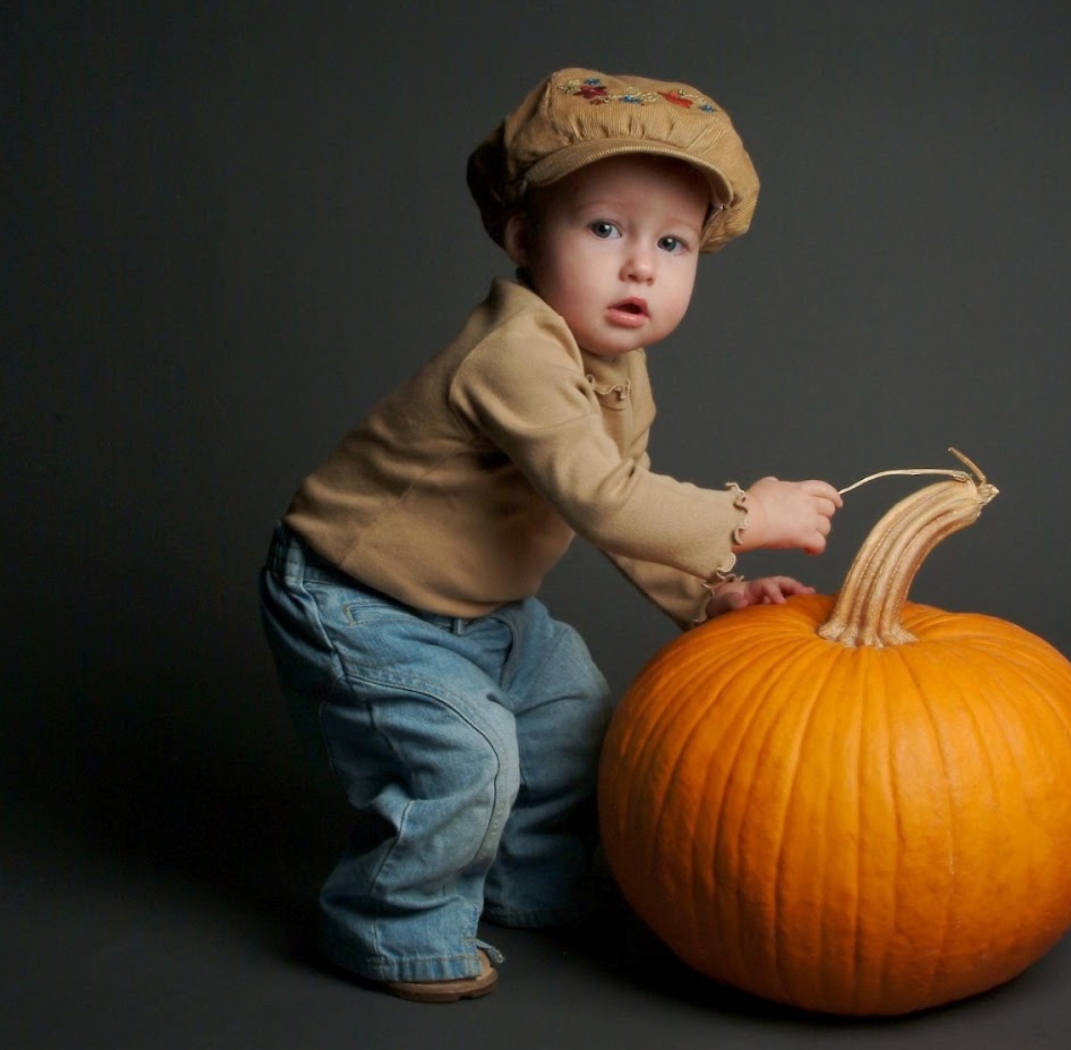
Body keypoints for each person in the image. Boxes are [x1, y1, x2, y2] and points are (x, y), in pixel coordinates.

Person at [258, 67, 843, 1003]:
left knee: (572, 717)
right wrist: (748, 514)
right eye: (605, 229)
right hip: (357, 600)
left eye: (673, 242)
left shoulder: (617, 365)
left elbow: (624, 504)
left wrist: (710, 591)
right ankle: (389, 925)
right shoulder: (516, 350)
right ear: (527, 237)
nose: (641, 265)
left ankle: (531, 884)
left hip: (482, 610)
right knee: (467, 753)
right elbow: (606, 498)